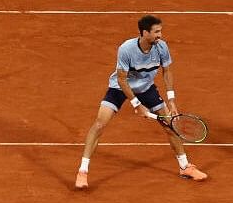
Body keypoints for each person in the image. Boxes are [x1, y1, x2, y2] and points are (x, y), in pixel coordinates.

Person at [75, 15, 207, 189]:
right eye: (156, 32)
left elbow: (167, 71)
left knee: (170, 124)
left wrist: (172, 99)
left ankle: (185, 167)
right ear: (145, 33)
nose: (160, 35)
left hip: (146, 88)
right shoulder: (126, 49)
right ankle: (82, 171)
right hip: (119, 88)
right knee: (99, 124)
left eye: (160, 31)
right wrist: (137, 104)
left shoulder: (161, 47)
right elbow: (122, 80)